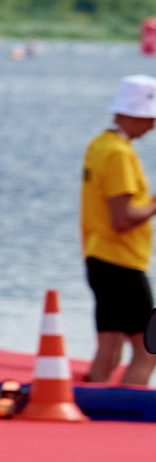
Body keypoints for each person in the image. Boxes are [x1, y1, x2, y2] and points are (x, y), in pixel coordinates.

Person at [80, 74, 156, 385]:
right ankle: (128, 411)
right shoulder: (119, 154)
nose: (152, 126)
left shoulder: (101, 145)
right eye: (149, 118)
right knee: (147, 348)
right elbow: (122, 218)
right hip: (121, 260)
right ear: (131, 113)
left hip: (100, 255)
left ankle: (95, 405)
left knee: (109, 347)